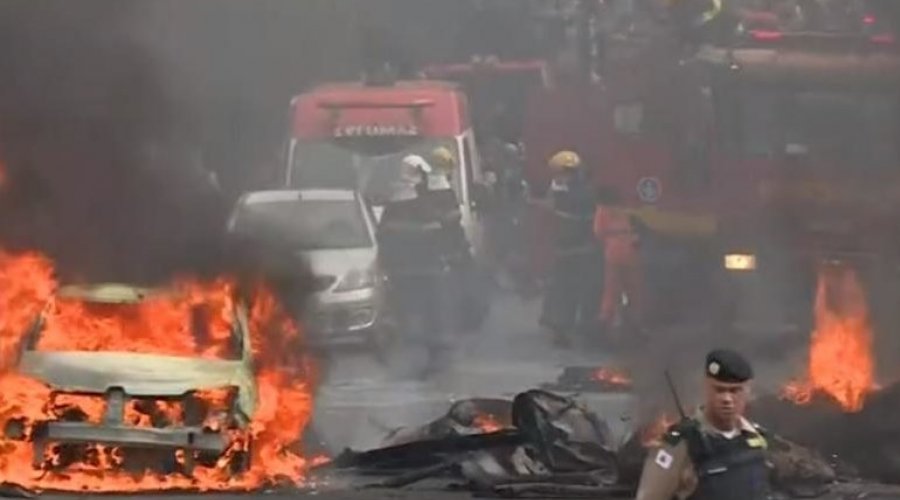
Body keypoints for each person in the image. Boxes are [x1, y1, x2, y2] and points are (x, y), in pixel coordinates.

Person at [636, 349, 772, 500]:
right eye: (719, 390)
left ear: (748, 391)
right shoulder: (680, 444)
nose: (727, 399)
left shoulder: (757, 439)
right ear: (706, 387)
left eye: (735, 391)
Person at [376, 155, 449, 375]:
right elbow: (440, 232)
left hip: (404, 270)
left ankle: (414, 356)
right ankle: (429, 355)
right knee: (430, 313)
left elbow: (383, 236)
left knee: (409, 313)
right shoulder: (427, 202)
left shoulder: (393, 204)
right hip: (426, 268)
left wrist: (386, 264)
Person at [538, 150, 601, 343]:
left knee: (564, 291)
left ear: (565, 172)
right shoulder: (587, 191)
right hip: (584, 250)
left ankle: (563, 329)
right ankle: (586, 328)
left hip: (571, 251)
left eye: (558, 173)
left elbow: (555, 215)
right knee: (584, 291)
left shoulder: (565, 196)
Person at [593, 186, 644, 333]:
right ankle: (635, 320)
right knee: (634, 288)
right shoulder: (627, 209)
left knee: (611, 288)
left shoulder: (602, 210)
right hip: (631, 250)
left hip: (613, 252)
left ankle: (606, 319)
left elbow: (598, 232)